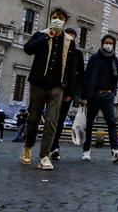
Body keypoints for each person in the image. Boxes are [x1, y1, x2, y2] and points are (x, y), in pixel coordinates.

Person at [21, 7, 79, 171]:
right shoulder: (41, 34)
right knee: (33, 119)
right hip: (38, 84)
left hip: (57, 86)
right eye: (54, 17)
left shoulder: (70, 41)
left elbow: (71, 67)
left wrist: (70, 92)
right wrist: (46, 36)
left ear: (65, 21)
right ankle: (28, 146)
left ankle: (44, 156)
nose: (56, 20)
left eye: (60, 18)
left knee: (52, 122)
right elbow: (28, 49)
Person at [80, 34, 118, 163]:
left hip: (108, 95)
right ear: (102, 43)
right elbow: (87, 77)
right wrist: (83, 96)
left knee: (111, 122)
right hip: (94, 95)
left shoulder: (114, 60)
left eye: (111, 43)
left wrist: (113, 92)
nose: (109, 45)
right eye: (107, 42)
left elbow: (115, 78)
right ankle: (86, 149)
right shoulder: (94, 59)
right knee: (89, 123)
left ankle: (115, 150)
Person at [49, 28, 84, 161]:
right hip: (53, 89)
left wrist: (73, 94)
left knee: (59, 121)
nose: (70, 39)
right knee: (51, 119)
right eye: (68, 36)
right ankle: (50, 146)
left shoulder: (77, 54)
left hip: (66, 93)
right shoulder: (57, 50)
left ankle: (54, 147)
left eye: (73, 37)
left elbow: (80, 76)